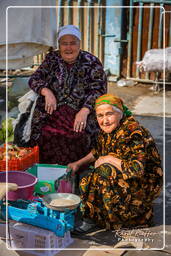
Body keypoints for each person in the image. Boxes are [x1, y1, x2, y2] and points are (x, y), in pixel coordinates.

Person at [68, 94, 163, 233]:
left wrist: (108, 159)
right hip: (125, 178)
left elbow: (136, 169)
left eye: (109, 114)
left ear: (120, 113)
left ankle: (126, 218)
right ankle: (98, 216)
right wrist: (77, 163)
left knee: (104, 172)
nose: (104, 120)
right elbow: (97, 151)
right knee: (86, 175)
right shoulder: (107, 131)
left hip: (142, 184)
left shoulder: (134, 133)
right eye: (100, 116)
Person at [28, 25, 107, 164]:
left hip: (80, 110)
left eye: (73, 43)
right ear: (59, 45)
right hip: (52, 110)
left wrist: (85, 110)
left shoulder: (91, 62)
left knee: (77, 136)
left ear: (79, 44)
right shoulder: (52, 59)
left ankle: (73, 172)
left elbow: (99, 90)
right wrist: (46, 92)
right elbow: (34, 79)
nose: (68, 48)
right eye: (64, 43)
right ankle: (47, 172)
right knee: (44, 132)